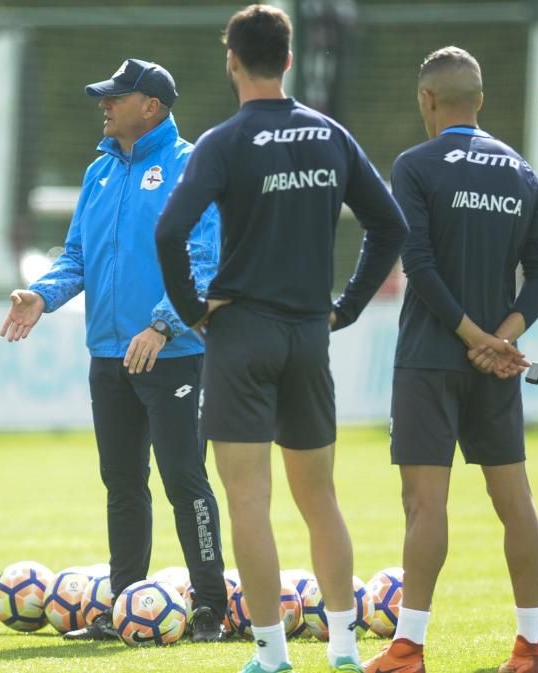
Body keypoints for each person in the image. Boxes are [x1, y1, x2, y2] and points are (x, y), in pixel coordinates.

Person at [155, 6, 408, 673]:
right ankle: (347, 648)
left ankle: (271, 654)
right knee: (320, 497)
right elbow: (391, 226)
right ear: (289, 60)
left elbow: (169, 232)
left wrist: (194, 312)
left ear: (231, 60)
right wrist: (345, 307)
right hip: (307, 333)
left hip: (240, 334)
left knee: (248, 501)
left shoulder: (224, 141)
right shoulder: (330, 134)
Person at [1, 57, 228, 642]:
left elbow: (205, 263)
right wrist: (42, 297)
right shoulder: (99, 171)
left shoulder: (189, 166)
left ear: (150, 107)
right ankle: (126, 603)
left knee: (184, 479)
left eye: (115, 97)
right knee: (122, 482)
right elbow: (76, 255)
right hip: (107, 354)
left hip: (171, 353)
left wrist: (160, 327)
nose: (104, 104)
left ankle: (210, 607)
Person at [363, 47, 538, 673]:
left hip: (429, 358)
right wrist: (501, 337)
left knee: (425, 504)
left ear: (428, 100)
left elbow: (416, 265)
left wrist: (474, 335)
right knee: (515, 501)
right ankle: (530, 646)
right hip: (494, 367)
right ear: (480, 101)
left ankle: (410, 649)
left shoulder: (415, 164)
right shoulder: (522, 171)